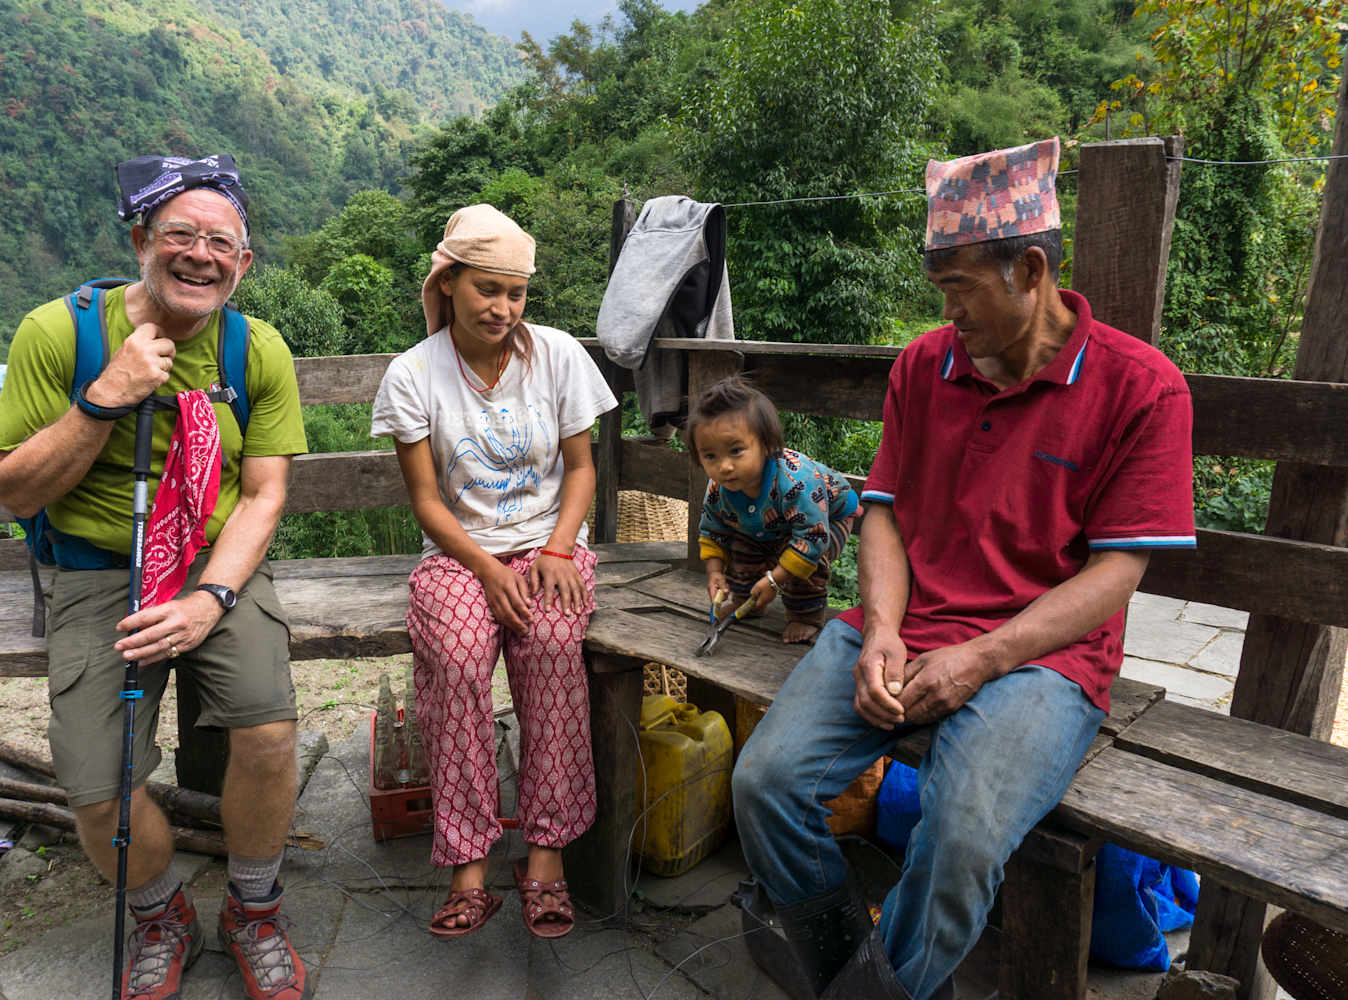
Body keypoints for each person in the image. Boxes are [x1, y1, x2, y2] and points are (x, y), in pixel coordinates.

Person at [731, 136, 1197, 1000]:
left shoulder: (1142, 387)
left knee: (960, 839)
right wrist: (880, 630)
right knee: (765, 785)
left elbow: (1117, 572)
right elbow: (882, 512)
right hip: (907, 624)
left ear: (1030, 270)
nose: (948, 312)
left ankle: (872, 988)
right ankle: (874, 983)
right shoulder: (924, 365)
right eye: (939, 289)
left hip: (1043, 657)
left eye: (961, 288)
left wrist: (982, 658)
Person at [0, 154, 310, 1000]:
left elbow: (263, 495)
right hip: (100, 571)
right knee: (97, 791)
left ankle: (254, 908)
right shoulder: (59, 334)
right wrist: (105, 397)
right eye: (180, 235)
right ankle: (162, 914)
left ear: (243, 263)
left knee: (269, 733)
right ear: (140, 242)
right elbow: (14, 488)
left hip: (216, 563)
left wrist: (211, 599)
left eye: (221, 244)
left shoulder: (255, 349)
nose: (200, 255)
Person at [371, 204, 618, 940]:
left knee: (550, 646)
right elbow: (426, 501)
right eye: (486, 289)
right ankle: (468, 867)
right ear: (448, 282)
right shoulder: (415, 374)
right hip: (458, 553)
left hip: (548, 544)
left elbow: (582, 469)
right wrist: (483, 567)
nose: (502, 308)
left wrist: (558, 550)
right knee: (456, 656)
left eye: (515, 293)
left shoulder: (559, 356)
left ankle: (546, 857)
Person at [687, 376, 859, 643]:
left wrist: (774, 580)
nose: (724, 466)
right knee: (741, 549)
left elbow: (811, 538)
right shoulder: (718, 489)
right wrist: (715, 573)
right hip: (770, 526)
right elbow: (713, 532)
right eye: (710, 456)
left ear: (767, 445)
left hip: (827, 519)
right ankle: (748, 602)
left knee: (804, 559)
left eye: (736, 450)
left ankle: (806, 616)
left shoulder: (796, 481)